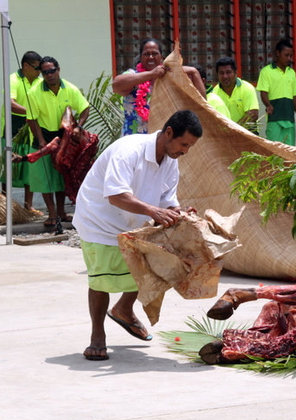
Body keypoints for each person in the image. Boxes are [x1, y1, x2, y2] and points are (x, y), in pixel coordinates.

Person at [73, 110, 202, 361]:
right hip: (99, 221)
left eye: (190, 147)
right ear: (168, 133)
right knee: (101, 280)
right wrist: (154, 211)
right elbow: (115, 195)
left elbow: (168, 201)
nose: (185, 151)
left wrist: (180, 214)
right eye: (184, 144)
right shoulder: (129, 150)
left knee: (156, 266)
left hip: (134, 222)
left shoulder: (171, 161)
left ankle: (123, 309)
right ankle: (97, 336)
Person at [26, 56, 90, 227]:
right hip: (44, 135)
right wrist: (40, 140)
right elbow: (31, 119)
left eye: (52, 71)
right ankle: (52, 214)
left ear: (58, 70)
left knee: (60, 176)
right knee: (46, 178)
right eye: (45, 72)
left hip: (64, 137)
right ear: (42, 74)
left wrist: (79, 127)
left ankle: (61, 212)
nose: (49, 75)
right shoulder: (34, 92)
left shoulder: (70, 88)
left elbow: (85, 108)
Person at [112, 38, 205, 135]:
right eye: (146, 54)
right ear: (141, 57)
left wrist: (194, 72)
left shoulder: (170, 78)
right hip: (133, 141)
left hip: (162, 142)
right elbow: (116, 86)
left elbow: (202, 101)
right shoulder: (133, 75)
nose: (151, 57)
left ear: (161, 57)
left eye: (155, 53)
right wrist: (152, 74)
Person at [0, 51, 42, 213]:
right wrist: (32, 111)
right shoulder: (13, 79)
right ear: (25, 66)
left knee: (29, 166)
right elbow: (10, 103)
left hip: (31, 127)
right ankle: (5, 205)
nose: (39, 72)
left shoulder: (40, 82)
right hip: (13, 126)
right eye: (36, 68)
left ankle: (28, 205)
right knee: (9, 166)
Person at [256, 39, 296, 145]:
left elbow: (295, 97)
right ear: (278, 53)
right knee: (274, 152)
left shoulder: (291, 73)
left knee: (290, 153)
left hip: (289, 119)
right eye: (286, 55)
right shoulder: (266, 71)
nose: (289, 58)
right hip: (274, 119)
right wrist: (268, 105)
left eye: (291, 56)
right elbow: (263, 93)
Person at [210, 57, 259, 129]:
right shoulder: (214, 92)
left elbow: (253, 114)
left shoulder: (247, 88)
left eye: (228, 72)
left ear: (236, 72)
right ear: (217, 74)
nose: (225, 76)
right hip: (225, 134)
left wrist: (234, 130)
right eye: (221, 73)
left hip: (248, 133)